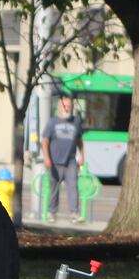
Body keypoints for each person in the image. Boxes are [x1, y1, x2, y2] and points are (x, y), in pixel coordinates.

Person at [41, 92, 86, 224]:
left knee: (73, 186)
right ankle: (51, 213)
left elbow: (79, 140)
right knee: (54, 188)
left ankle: (74, 213)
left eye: (69, 106)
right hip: (55, 161)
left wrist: (82, 155)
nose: (67, 108)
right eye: (65, 106)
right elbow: (45, 141)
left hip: (71, 161)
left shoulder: (76, 121)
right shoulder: (52, 122)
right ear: (60, 107)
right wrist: (46, 158)